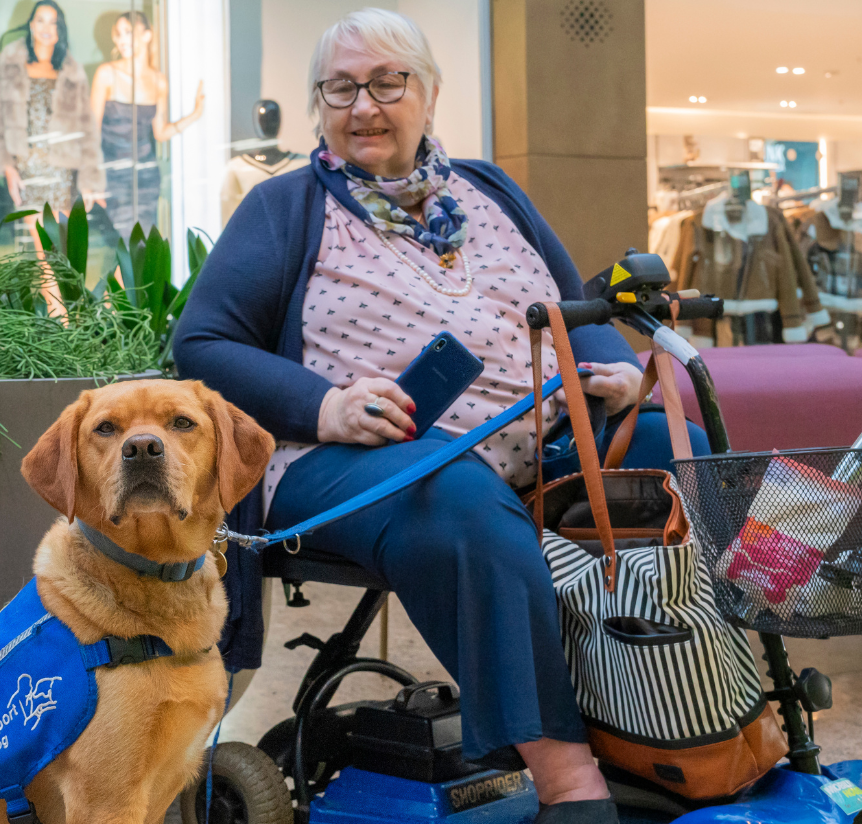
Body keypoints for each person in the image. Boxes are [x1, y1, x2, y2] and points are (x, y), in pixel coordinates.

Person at [173, 10, 706, 824]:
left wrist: (619, 378)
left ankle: (695, 723)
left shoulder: (490, 191)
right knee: (454, 499)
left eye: (388, 83)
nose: (364, 106)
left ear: (429, 93)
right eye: (342, 87)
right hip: (348, 455)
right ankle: (568, 783)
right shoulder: (283, 207)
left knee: (678, 450)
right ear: (320, 102)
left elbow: (577, 311)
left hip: (533, 440)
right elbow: (203, 342)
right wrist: (327, 405)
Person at [0, 0, 105, 225]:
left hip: (63, 173)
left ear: (60, 30)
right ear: (31, 25)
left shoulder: (72, 71)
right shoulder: (8, 63)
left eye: (53, 23)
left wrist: (90, 180)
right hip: (26, 170)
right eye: (40, 20)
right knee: (42, 250)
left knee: (61, 249)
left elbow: (88, 130)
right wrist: (7, 167)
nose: (46, 28)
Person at [88, 11, 204, 234]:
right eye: (118, 34)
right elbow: (92, 131)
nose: (121, 40)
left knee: (140, 247)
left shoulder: (159, 81)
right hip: (114, 177)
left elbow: (159, 133)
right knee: (130, 243)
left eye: (128, 33)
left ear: (147, 35)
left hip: (148, 177)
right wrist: (93, 178)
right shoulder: (107, 74)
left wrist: (195, 115)